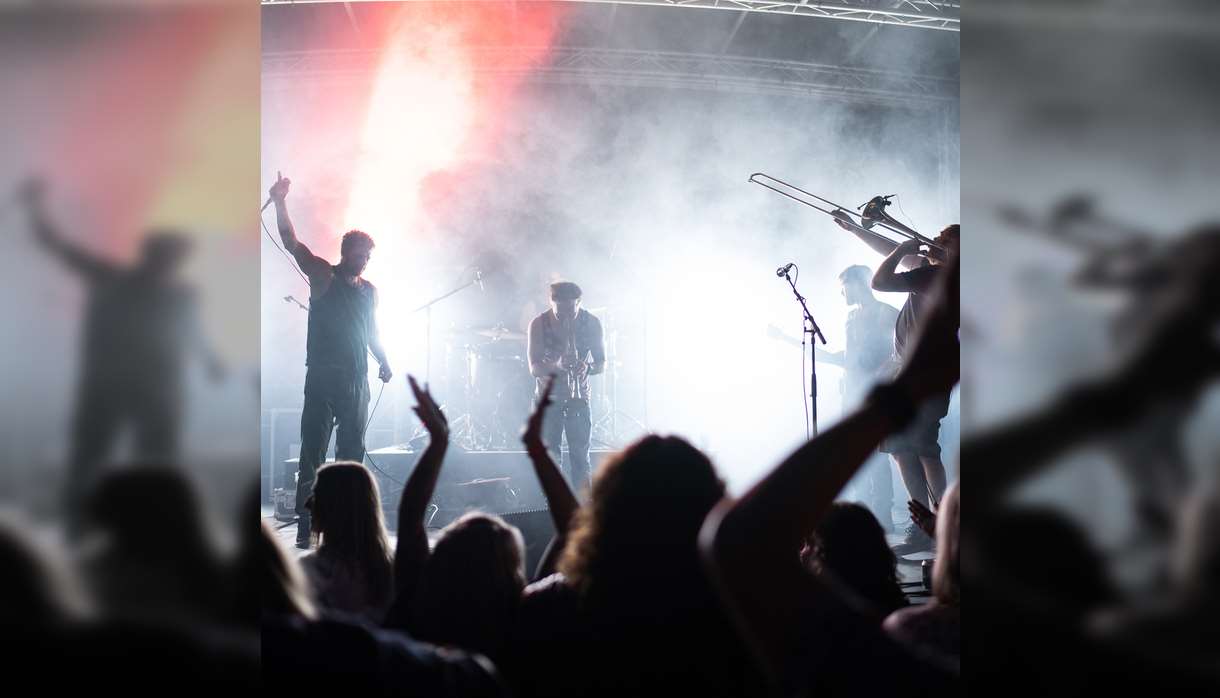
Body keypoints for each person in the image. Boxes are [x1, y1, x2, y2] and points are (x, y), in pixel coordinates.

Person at [16, 179, 224, 523]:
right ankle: (87, 524)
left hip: (141, 389)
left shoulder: (173, 294)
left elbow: (193, 335)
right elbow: (55, 245)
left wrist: (210, 361)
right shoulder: (136, 284)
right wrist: (35, 208)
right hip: (125, 388)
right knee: (100, 459)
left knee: (141, 462)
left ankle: (132, 524)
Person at [267, 172, 392, 548]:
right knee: (313, 453)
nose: (365, 261)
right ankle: (307, 525)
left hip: (356, 379)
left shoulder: (370, 292)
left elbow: (372, 332)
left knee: (352, 456)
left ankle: (345, 527)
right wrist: (280, 201)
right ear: (346, 252)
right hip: (323, 377)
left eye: (368, 256)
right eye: (361, 254)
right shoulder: (323, 275)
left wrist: (384, 360)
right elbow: (292, 243)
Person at [870, 225, 960, 553]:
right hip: (915, 373)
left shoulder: (938, 276)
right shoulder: (940, 273)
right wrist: (855, 229)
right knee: (902, 449)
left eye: (943, 241)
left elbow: (880, 281)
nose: (933, 244)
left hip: (922, 374)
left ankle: (943, 524)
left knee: (923, 450)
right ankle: (927, 524)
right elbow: (891, 249)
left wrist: (901, 250)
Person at [820, 265, 900, 529]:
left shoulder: (886, 313)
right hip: (851, 394)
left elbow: (901, 350)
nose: (841, 294)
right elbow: (849, 358)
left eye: (843, 287)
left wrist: (882, 375)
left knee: (878, 455)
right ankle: (861, 515)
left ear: (856, 284)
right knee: (854, 455)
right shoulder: (851, 317)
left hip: (876, 394)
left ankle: (883, 517)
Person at [526, 281, 605, 493]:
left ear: (579, 302)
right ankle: (553, 506)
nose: (567, 317)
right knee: (551, 459)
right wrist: (557, 365)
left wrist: (587, 367)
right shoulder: (538, 324)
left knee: (580, 458)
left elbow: (601, 363)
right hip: (548, 399)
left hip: (579, 399)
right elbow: (534, 369)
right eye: (561, 312)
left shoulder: (592, 323)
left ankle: (583, 505)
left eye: (571, 311)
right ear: (551, 302)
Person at [299, 462, 395, 623]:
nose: (307, 504)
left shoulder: (308, 571)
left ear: (337, 505)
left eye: (317, 495)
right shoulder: (394, 570)